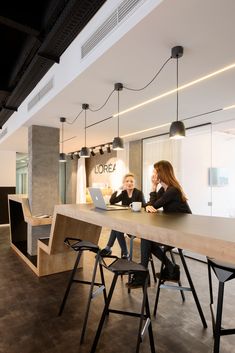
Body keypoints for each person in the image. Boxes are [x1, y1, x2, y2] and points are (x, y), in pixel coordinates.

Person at [128, 160, 191, 288]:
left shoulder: (173, 190)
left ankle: (144, 274)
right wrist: (153, 189)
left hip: (181, 233)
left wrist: (151, 201)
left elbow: (153, 205)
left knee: (146, 238)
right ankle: (169, 268)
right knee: (146, 237)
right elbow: (148, 206)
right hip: (172, 228)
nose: (152, 174)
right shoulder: (163, 190)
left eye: (154, 171)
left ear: (161, 173)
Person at [100, 173, 146, 258]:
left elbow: (144, 207)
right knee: (117, 226)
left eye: (131, 181)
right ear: (124, 183)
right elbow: (112, 201)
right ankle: (120, 252)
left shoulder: (139, 193)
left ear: (134, 183)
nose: (129, 183)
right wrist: (118, 189)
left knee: (116, 227)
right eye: (127, 181)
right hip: (125, 222)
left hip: (136, 223)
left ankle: (110, 248)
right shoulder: (124, 193)